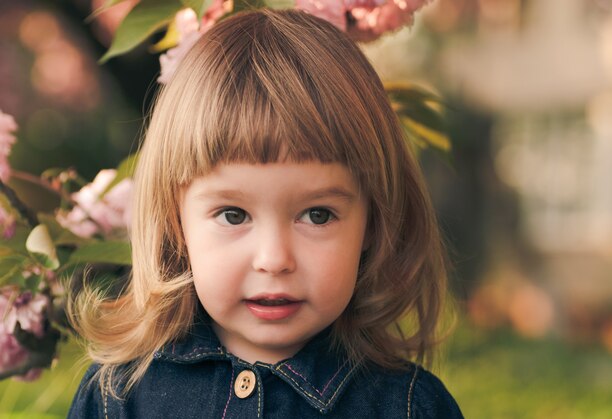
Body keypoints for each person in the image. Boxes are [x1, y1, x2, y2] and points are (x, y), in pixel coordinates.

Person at [68, 8, 463, 418]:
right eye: (234, 216)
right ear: (176, 220)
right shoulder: (119, 395)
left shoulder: (408, 407)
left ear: (372, 222)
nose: (274, 259)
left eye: (318, 215)